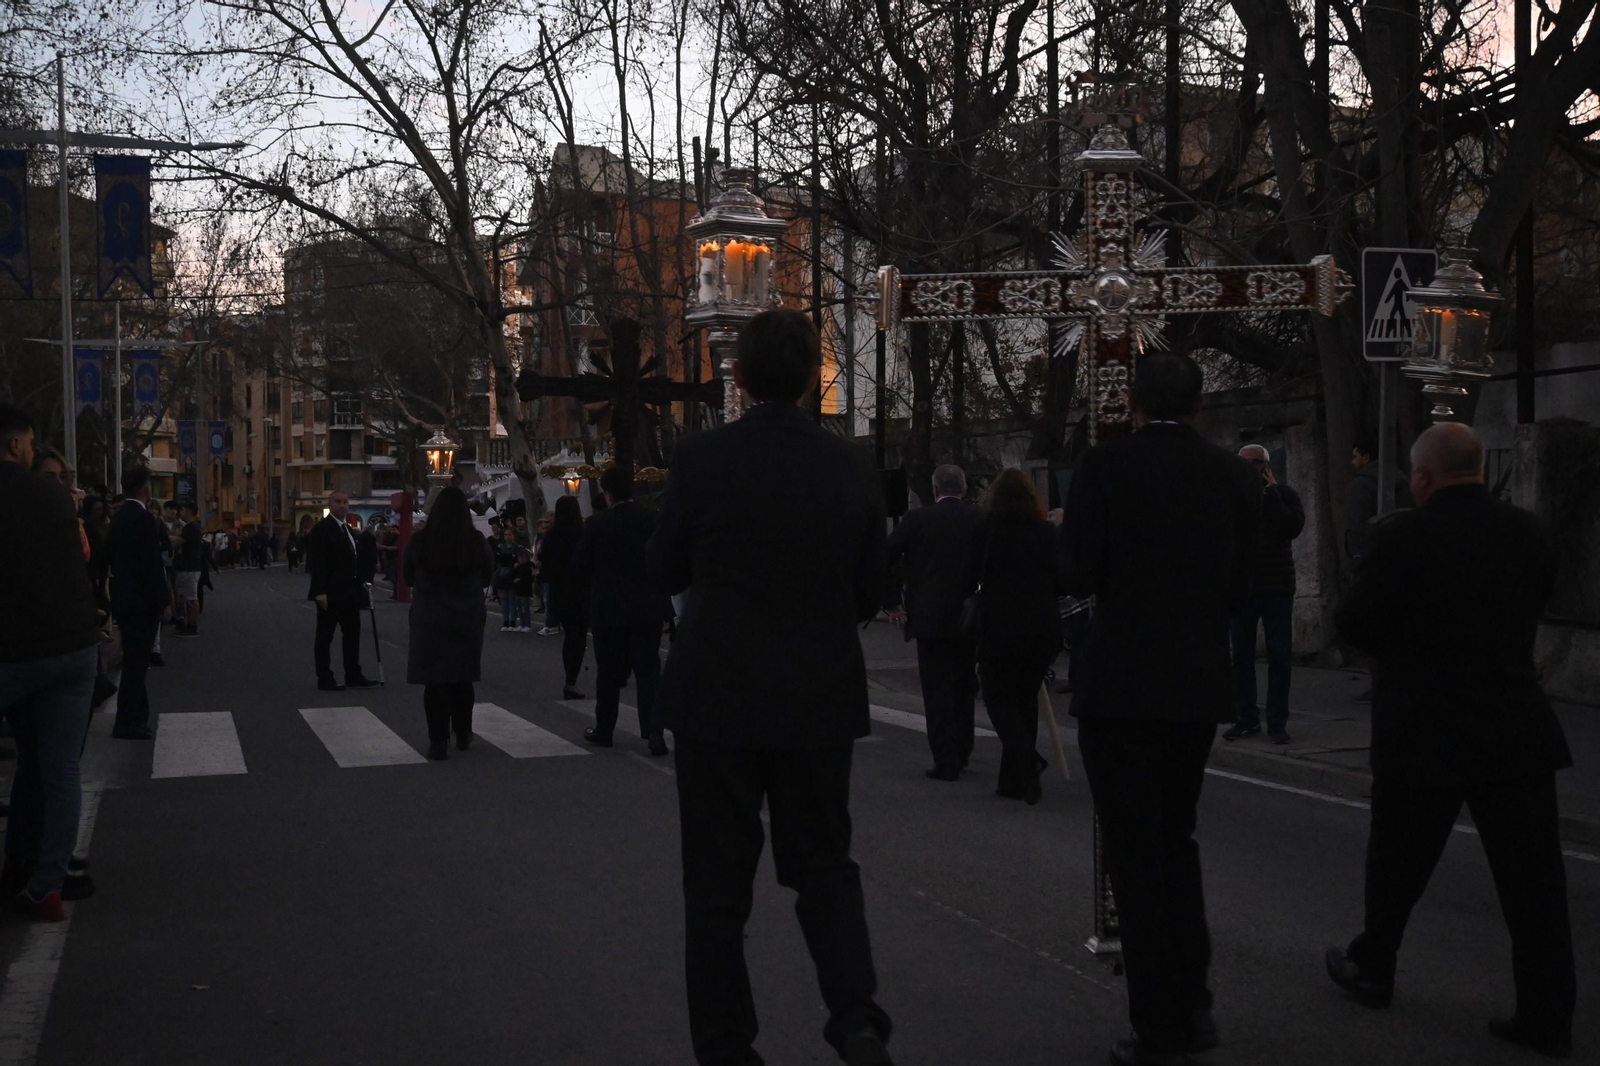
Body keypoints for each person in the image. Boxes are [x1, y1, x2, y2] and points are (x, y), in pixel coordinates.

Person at [650, 309, 893, 1066]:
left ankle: (726, 1045)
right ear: (814, 374)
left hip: (717, 692)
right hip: (817, 693)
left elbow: (664, 569)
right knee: (825, 866)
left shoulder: (701, 458)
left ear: (741, 377)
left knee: (717, 888)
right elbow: (874, 586)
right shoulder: (851, 465)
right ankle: (855, 1019)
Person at [1325, 422, 1575, 1057]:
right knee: (1534, 884)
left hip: (1423, 729)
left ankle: (1374, 966)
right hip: (1514, 727)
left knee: (1397, 865)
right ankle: (1547, 1012)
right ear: (1482, 469)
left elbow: (1355, 621)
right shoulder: (1528, 531)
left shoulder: (1403, 537)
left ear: (1423, 477)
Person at [1061, 352, 1259, 1066]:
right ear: (1200, 408)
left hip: (1121, 686)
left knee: (1135, 856)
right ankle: (1194, 999)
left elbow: (1078, 571)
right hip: (1196, 683)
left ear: (1133, 406)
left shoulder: (1106, 469)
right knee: (1177, 841)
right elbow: (1243, 584)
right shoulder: (1232, 474)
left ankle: (1160, 1023)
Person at [0, 405, 103, 920]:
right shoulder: (54, 496)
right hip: (74, 646)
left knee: (35, 765)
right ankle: (48, 884)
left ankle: (25, 867)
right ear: (19, 445)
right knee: (60, 769)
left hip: (16, 649)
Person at [884, 464, 984, 781]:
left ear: (935, 489)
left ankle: (945, 755)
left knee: (936, 687)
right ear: (964, 489)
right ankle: (963, 748)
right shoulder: (980, 520)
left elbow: (884, 556)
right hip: (969, 614)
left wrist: (892, 603)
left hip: (928, 614)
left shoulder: (917, 520)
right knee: (964, 683)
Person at [968, 468, 1062, 806]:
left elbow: (971, 573)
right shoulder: (1046, 532)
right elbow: (1060, 579)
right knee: (1025, 700)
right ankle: (1016, 780)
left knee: (996, 696)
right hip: (1041, 625)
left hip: (999, 624)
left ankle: (1026, 759)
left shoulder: (985, 530)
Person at [573, 465, 671, 755]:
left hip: (610, 608)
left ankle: (605, 728)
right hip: (647, 607)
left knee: (609, 673)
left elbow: (581, 565)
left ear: (608, 494)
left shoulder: (596, 525)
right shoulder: (652, 520)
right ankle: (654, 731)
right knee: (649, 671)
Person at [402, 486, 493, 760]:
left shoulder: (420, 541)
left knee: (435, 681)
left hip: (431, 616)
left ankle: (438, 739)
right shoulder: (477, 541)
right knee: (462, 677)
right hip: (466, 615)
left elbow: (407, 577)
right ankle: (463, 731)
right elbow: (487, 577)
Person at [1225, 444, 1305, 744]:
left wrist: (1271, 494)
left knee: (1279, 658)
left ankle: (1277, 722)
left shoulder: (1284, 495)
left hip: (1277, 588)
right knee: (1241, 658)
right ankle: (1246, 718)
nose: (1250, 469)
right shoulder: (1231, 497)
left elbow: (1292, 527)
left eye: (1256, 463)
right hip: (1243, 589)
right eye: (1244, 463)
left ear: (1267, 466)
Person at [107, 466, 173, 741]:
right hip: (143, 603)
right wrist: (164, 601)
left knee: (135, 661)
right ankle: (128, 721)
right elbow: (152, 565)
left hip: (123, 600)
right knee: (137, 664)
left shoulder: (118, 519)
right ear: (146, 490)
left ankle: (136, 716)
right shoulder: (146, 520)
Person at [306, 490, 380, 692]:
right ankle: (325, 677)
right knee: (325, 637)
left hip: (350, 593)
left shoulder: (347, 529)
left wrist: (364, 582)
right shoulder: (322, 529)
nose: (343, 506)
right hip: (330, 594)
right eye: (338, 502)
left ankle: (353, 674)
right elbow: (317, 562)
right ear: (330, 504)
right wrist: (319, 591)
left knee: (352, 635)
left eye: (346, 502)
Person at [539, 495, 590, 699]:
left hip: (560, 593)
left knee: (570, 637)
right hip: (581, 592)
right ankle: (572, 681)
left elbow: (545, 568)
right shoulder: (583, 534)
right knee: (579, 636)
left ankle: (570, 680)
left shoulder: (551, 537)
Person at [172, 501, 205, 637]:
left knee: (191, 597)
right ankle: (189, 624)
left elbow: (179, 541)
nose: (181, 512)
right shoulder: (193, 527)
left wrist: (166, 538)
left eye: (183, 509)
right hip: (190, 566)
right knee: (188, 596)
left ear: (189, 511)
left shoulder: (190, 528)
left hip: (189, 567)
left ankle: (192, 626)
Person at [492, 527, 519, 631]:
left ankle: (513, 622)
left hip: (512, 575)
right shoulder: (500, 547)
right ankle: (505, 621)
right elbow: (498, 559)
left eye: (510, 535)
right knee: (503, 601)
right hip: (501, 576)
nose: (508, 537)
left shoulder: (517, 547)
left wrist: (510, 559)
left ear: (513, 536)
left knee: (512, 599)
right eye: (506, 535)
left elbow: (517, 560)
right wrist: (509, 558)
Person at [510, 546, 536, 634]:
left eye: (523, 558)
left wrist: (520, 579)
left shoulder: (529, 567)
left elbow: (530, 578)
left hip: (525, 591)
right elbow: (512, 575)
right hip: (518, 590)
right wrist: (514, 568)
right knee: (520, 609)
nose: (521, 560)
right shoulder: (518, 567)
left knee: (525, 609)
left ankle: (527, 625)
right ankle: (522, 624)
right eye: (519, 558)